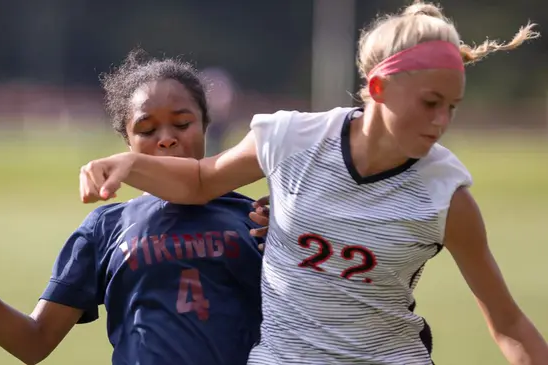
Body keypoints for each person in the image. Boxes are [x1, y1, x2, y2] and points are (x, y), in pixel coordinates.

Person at [75, 2, 548, 365]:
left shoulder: (446, 197)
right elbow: (201, 180)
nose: (442, 120)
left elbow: (508, 323)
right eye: (430, 103)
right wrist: (126, 164)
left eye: (452, 106)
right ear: (379, 89)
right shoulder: (291, 138)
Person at [0, 49, 269, 365]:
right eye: (146, 128)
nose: (166, 138)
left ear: (206, 125)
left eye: (181, 123)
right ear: (125, 141)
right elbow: (34, 343)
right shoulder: (106, 227)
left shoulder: (255, 218)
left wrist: (290, 243)